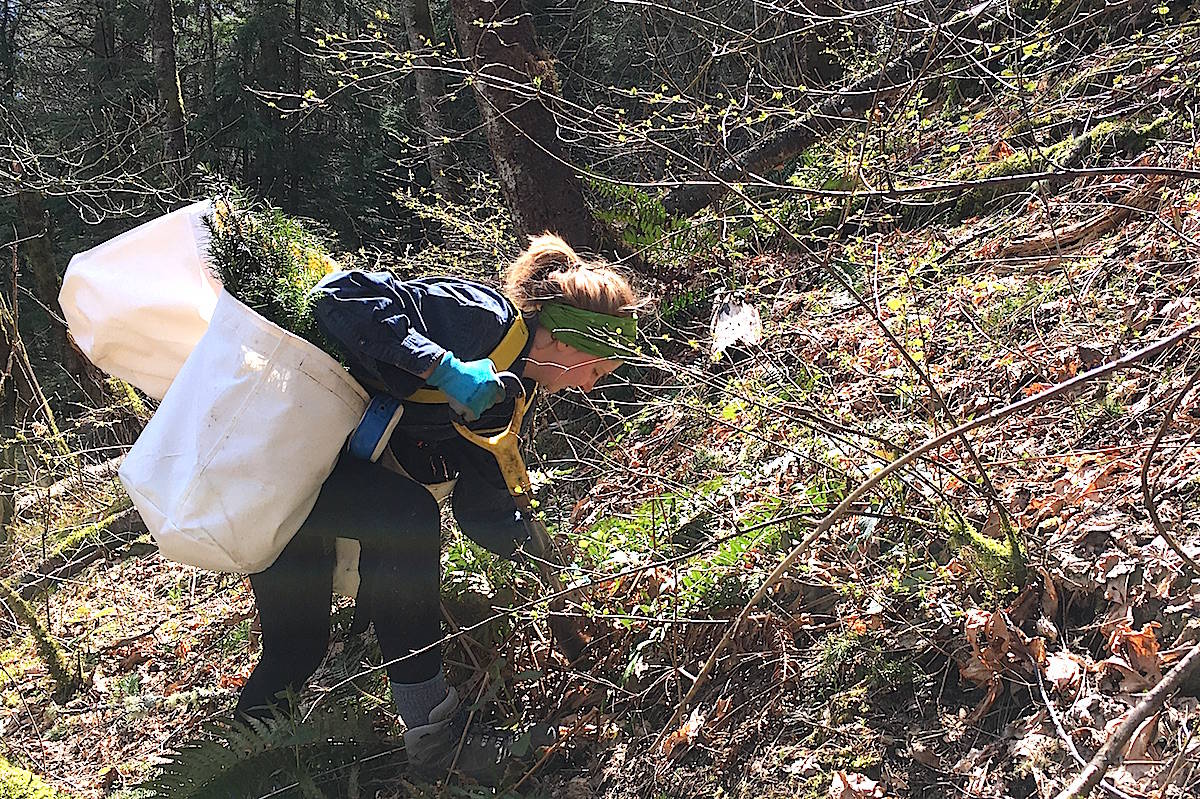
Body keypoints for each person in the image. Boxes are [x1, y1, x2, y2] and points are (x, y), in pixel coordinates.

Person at [234, 233, 640, 786]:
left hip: (321, 480)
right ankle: (258, 765)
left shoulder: (509, 392)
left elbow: (481, 508)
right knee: (324, 613)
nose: (591, 385)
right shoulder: (483, 320)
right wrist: (445, 368)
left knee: (316, 627)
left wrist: (552, 562)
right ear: (571, 340)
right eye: (597, 370)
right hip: (268, 458)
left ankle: (279, 759)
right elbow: (336, 296)